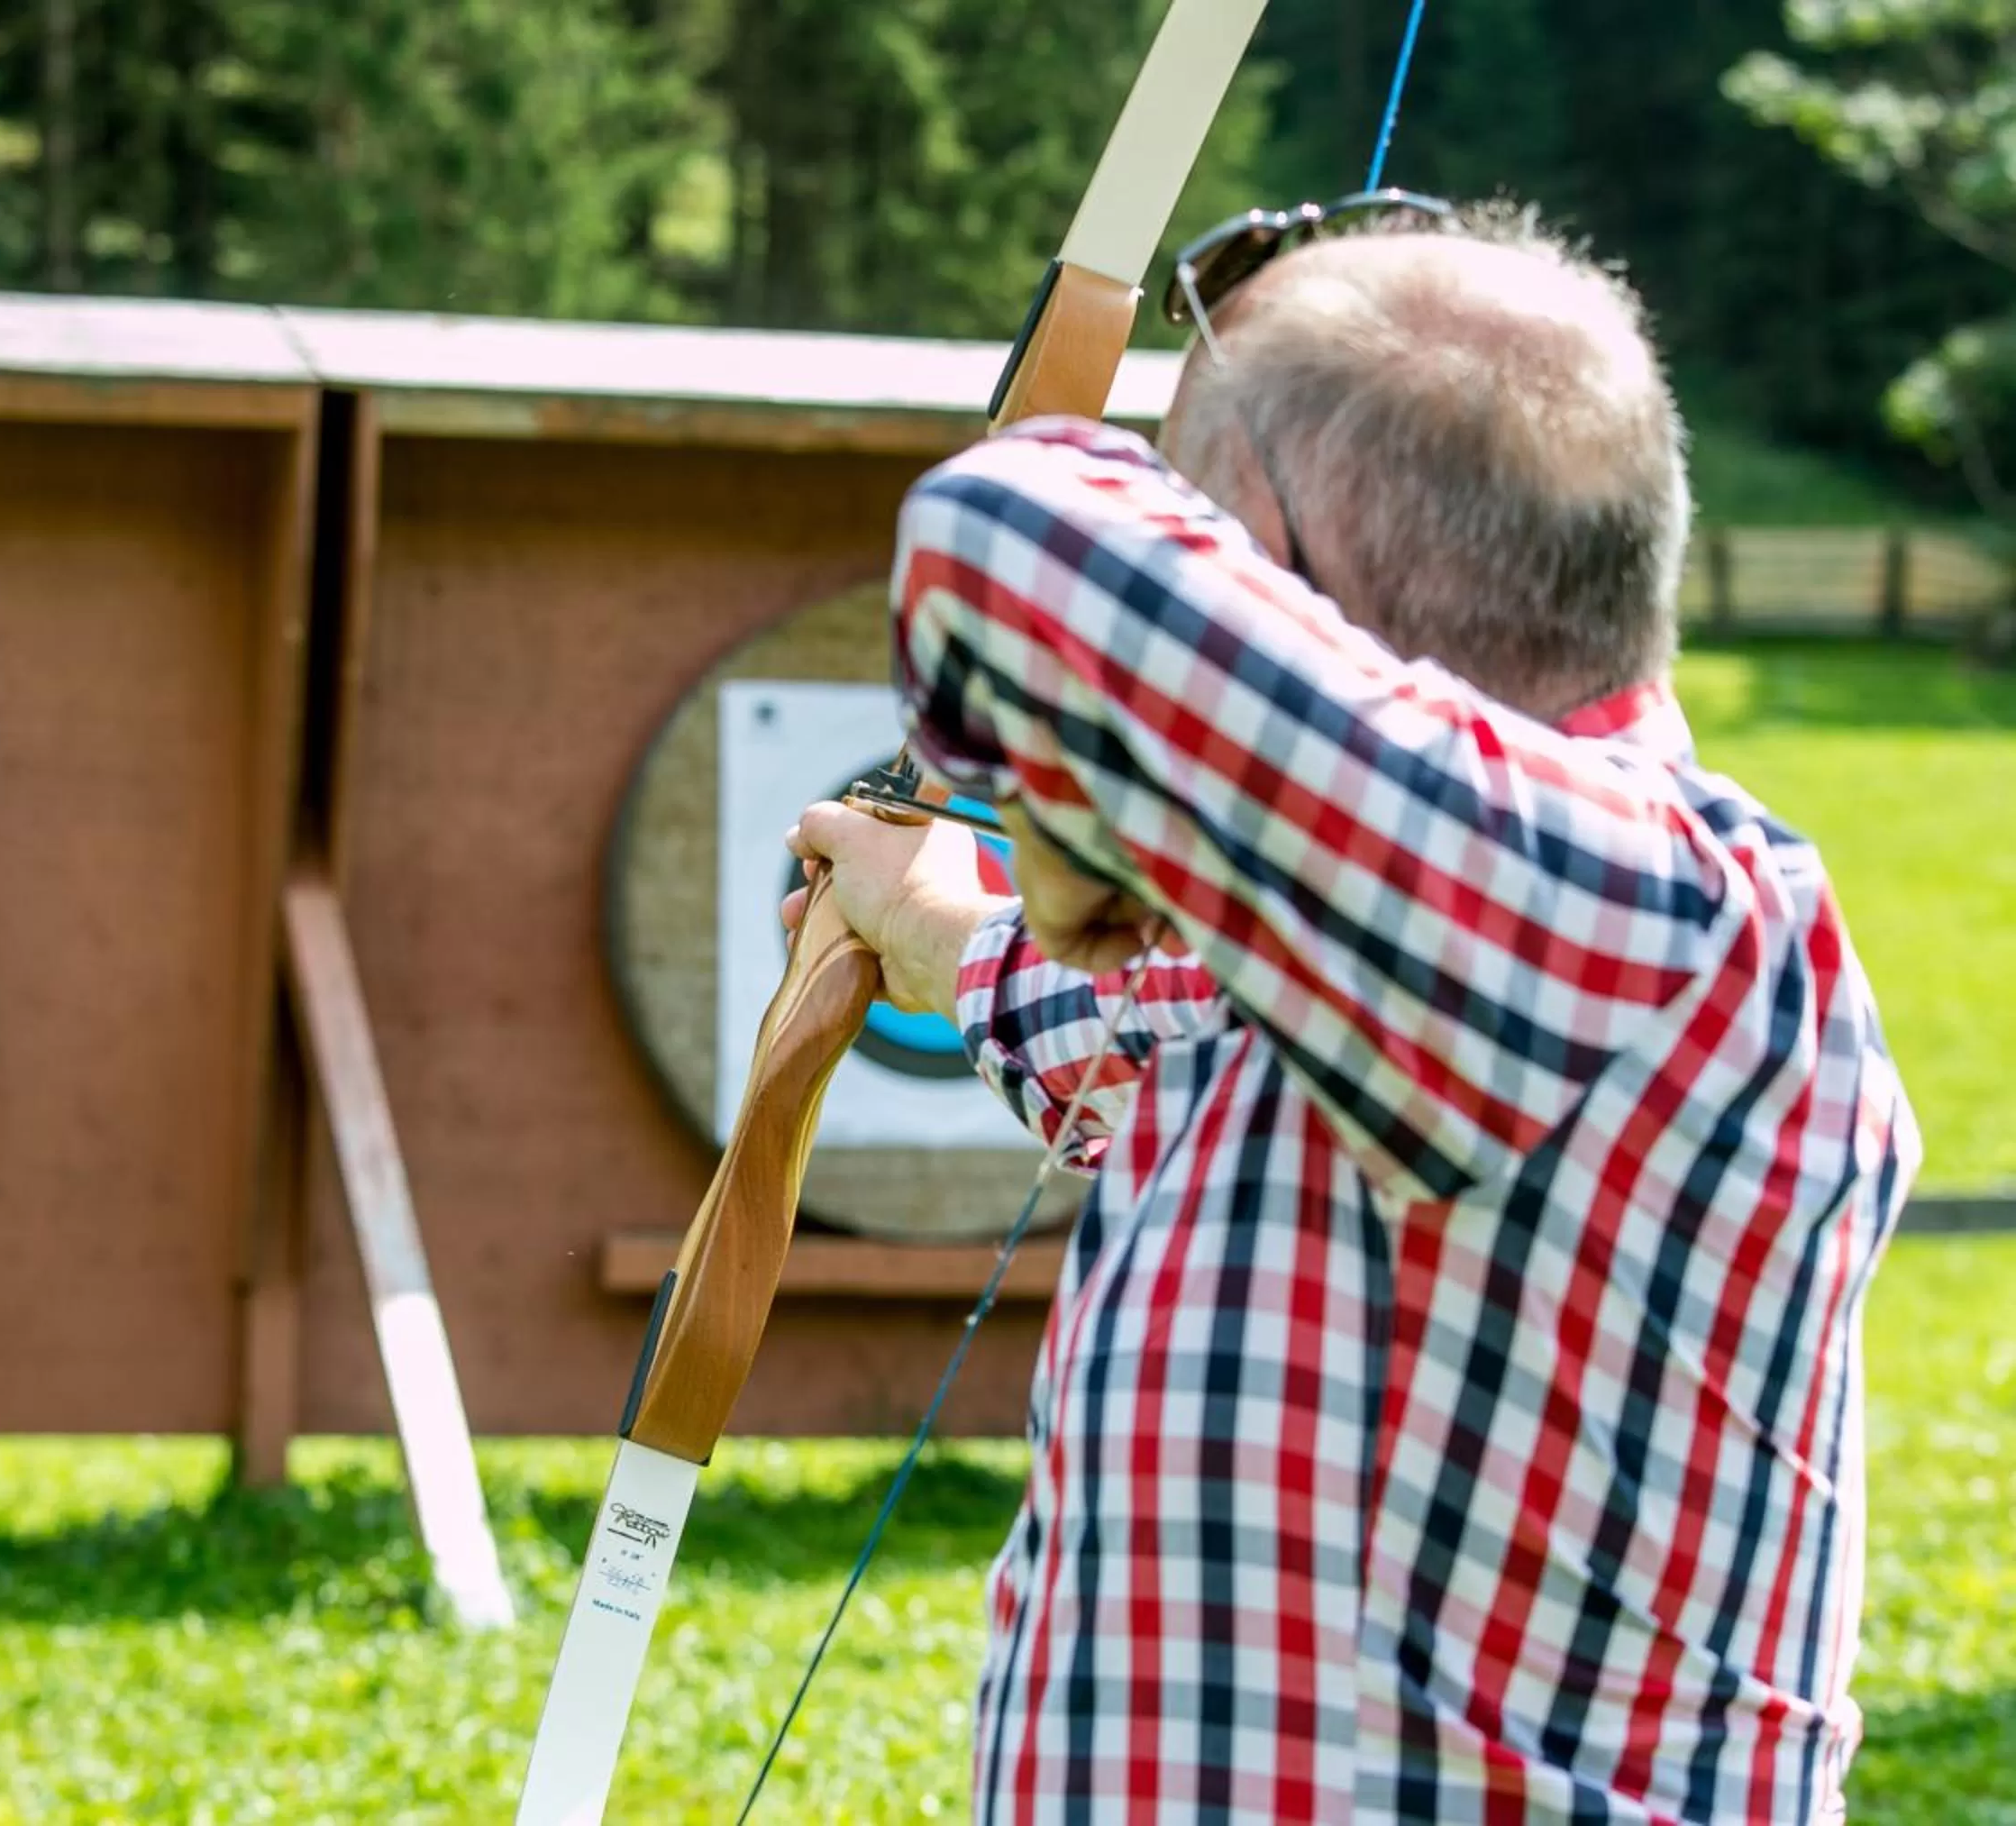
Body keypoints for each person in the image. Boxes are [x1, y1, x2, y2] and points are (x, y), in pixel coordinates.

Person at [783, 197, 1918, 1822]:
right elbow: (1164, 1049)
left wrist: (1079, 808)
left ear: (1271, 600)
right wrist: (942, 926)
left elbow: (1010, 537)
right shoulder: (1387, 958)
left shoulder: (1631, 909)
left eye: (1199, 539)